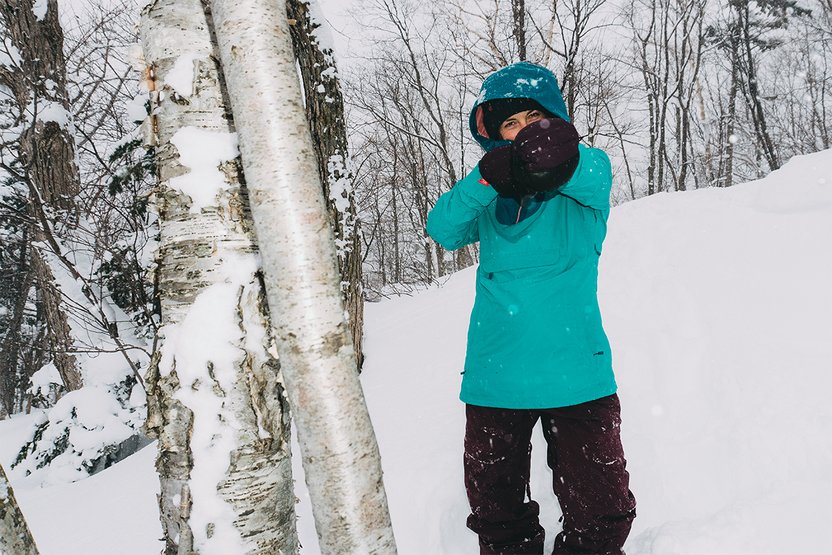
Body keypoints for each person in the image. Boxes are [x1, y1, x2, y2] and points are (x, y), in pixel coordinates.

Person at [426, 61, 636, 555]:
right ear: (494, 137)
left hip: (577, 375)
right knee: (498, 516)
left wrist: (553, 158)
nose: (521, 134)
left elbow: (587, 172)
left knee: (601, 511)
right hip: (495, 377)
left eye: (531, 119)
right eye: (509, 125)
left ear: (554, 120)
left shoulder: (585, 177)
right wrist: (484, 179)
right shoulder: (490, 194)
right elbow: (443, 229)